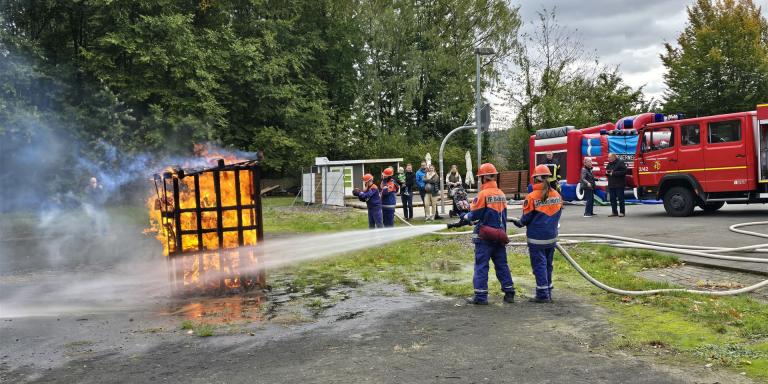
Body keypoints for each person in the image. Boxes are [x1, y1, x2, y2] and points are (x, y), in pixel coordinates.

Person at [461, 162, 516, 305]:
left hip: (485, 237)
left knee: (481, 266)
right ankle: (509, 292)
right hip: (499, 236)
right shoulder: (501, 194)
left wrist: (465, 217)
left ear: (483, 178)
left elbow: (474, 215)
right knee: (502, 265)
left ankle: (480, 297)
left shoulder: (483, 194)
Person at [511, 165, 563, 303]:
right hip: (551, 237)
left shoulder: (532, 197)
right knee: (548, 265)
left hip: (536, 239)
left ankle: (542, 295)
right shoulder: (557, 195)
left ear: (534, 179)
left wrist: (518, 223)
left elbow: (525, 219)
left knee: (539, 266)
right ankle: (548, 291)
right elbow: (557, 215)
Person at [606, 153, 627, 217]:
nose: (608, 159)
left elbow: (624, 171)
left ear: (614, 157)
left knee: (621, 199)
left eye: (609, 157)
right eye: (608, 157)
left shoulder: (620, 162)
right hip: (611, 184)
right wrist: (607, 173)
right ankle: (614, 212)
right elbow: (607, 171)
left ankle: (622, 212)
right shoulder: (609, 164)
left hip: (619, 184)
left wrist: (614, 173)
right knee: (612, 199)